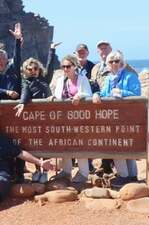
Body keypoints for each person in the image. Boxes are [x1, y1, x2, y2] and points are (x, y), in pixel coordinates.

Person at [12, 42, 60, 183]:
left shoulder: (45, 79)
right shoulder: (26, 82)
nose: (33, 70)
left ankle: (44, 172)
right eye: (30, 69)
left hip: (46, 117)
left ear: (39, 69)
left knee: (44, 144)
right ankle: (36, 170)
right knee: (33, 144)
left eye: (35, 68)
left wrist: (51, 49)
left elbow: (50, 66)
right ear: (26, 70)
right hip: (32, 118)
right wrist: (22, 103)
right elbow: (25, 93)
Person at [92, 50, 141, 188]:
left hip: (128, 117)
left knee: (126, 147)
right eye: (111, 61)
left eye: (116, 61)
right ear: (107, 64)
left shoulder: (130, 77)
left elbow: (137, 94)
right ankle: (126, 176)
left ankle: (130, 176)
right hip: (112, 119)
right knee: (118, 146)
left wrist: (122, 92)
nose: (114, 63)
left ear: (121, 63)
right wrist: (96, 94)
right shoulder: (108, 79)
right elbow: (104, 94)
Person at [51, 54, 92, 183]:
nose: (65, 69)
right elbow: (58, 96)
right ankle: (66, 171)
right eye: (63, 66)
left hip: (80, 117)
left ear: (74, 66)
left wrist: (79, 96)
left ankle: (83, 173)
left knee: (80, 144)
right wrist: (53, 98)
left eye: (68, 66)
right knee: (65, 144)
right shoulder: (60, 80)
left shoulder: (82, 79)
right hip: (64, 117)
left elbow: (88, 94)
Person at [0, 23, 22, 100]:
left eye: (2, 59)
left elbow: (17, 57)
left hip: (15, 105)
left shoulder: (14, 70)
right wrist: (6, 92)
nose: (0, 61)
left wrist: (17, 40)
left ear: (7, 60)